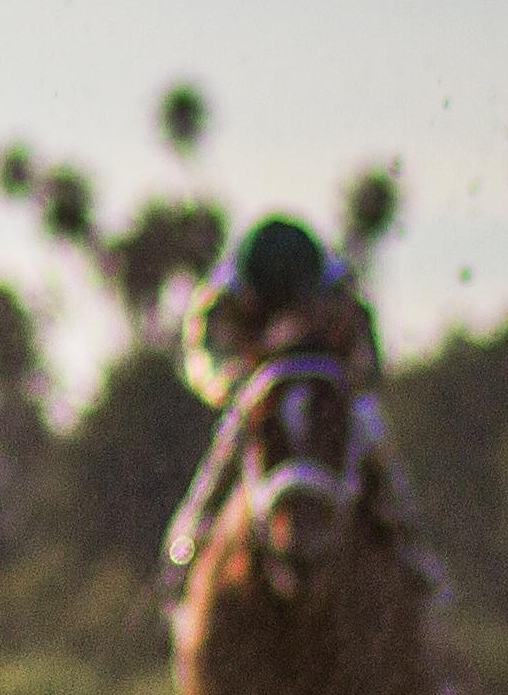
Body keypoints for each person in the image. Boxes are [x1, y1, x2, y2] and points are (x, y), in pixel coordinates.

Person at [165, 216, 438, 591]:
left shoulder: (337, 284)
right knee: (226, 443)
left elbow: (368, 357)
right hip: (260, 382)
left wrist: (354, 379)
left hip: (328, 383)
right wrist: (233, 384)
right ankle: (189, 542)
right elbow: (203, 359)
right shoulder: (222, 294)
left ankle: (411, 542)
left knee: (372, 431)